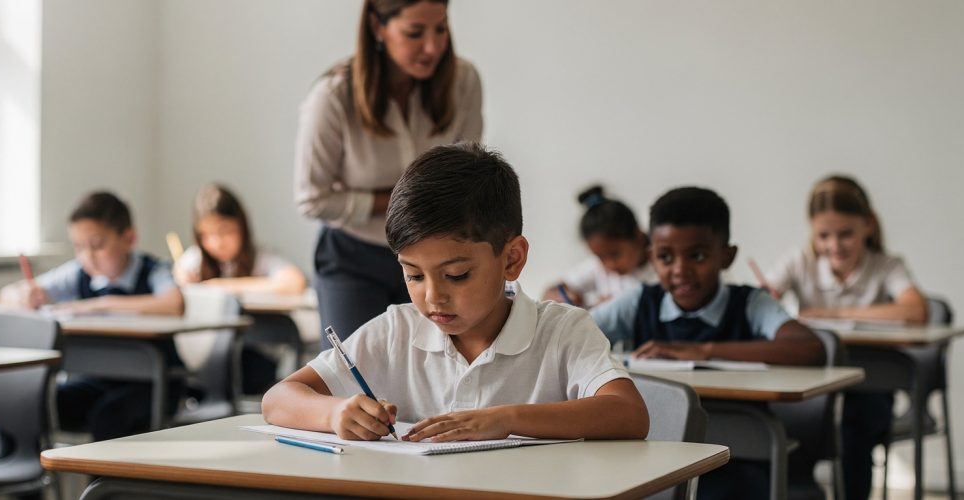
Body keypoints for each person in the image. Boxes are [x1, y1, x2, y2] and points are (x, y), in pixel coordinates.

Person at [264, 143, 649, 443]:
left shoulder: (563, 332)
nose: (433, 297)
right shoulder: (396, 331)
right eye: (414, 276)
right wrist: (334, 414)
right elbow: (279, 399)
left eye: (457, 275)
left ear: (511, 259)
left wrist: (506, 419)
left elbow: (629, 414)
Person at [591, 186, 824, 500]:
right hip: (653, 459)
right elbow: (574, 336)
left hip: (737, 461)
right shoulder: (641, 300)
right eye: (665, 257)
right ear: (651, 257)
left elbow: (809, 347)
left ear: (727, 256)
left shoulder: (750, 303)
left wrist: (703, 351)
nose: (680, 270)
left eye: (697, 255)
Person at [294, 0, 483, 348]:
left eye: (440, 29)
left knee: (444, 368)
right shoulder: (334, 96)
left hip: (438, 254)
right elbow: (311, 198)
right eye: (415, 33)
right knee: (352, 379)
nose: (432, 46)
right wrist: (402, 200)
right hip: (354, 257)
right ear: (378, 26)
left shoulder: (464, 81)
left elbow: (465, 178)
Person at [763, 175, 926, 500]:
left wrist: (831, 315)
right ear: (812, 231)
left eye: (846, 234)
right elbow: (759, 302)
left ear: (867, 225)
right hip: (813, 383)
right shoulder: (800, 261)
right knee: (785, 425)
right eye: (824, 235)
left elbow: (915, 310)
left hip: (868, 385)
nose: (834, 246)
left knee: (856, 429)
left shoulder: (886, 265)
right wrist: (763, 299)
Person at [0, 191, 184, 441]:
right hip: (98, 381)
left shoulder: (152, 270)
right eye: (79, 247)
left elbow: (173, 303)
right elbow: (7, 295)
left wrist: (100, 305)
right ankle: (25, 477)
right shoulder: (78, 273)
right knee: (21, 406)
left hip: (154, 385)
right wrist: (24, 296)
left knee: (109, 418)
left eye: (97, 245)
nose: (87, 256)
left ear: (128, 238)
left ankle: (102, 482)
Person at [174, 183, 306, 294]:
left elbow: (296, 282)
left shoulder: (260, 257)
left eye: (224, 231)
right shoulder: (195, 259)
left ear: (241, 226)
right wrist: (182, 278)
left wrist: (222, 286)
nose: (217, 243)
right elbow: (179, 275)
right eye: (205, 235)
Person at [543, 185, 654, 308]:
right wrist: (564, 298)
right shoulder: (598, 267)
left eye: (615, 254)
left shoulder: (658, 270)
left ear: (638, 236)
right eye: (600, 257)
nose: (610, 264)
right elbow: (551, 292)